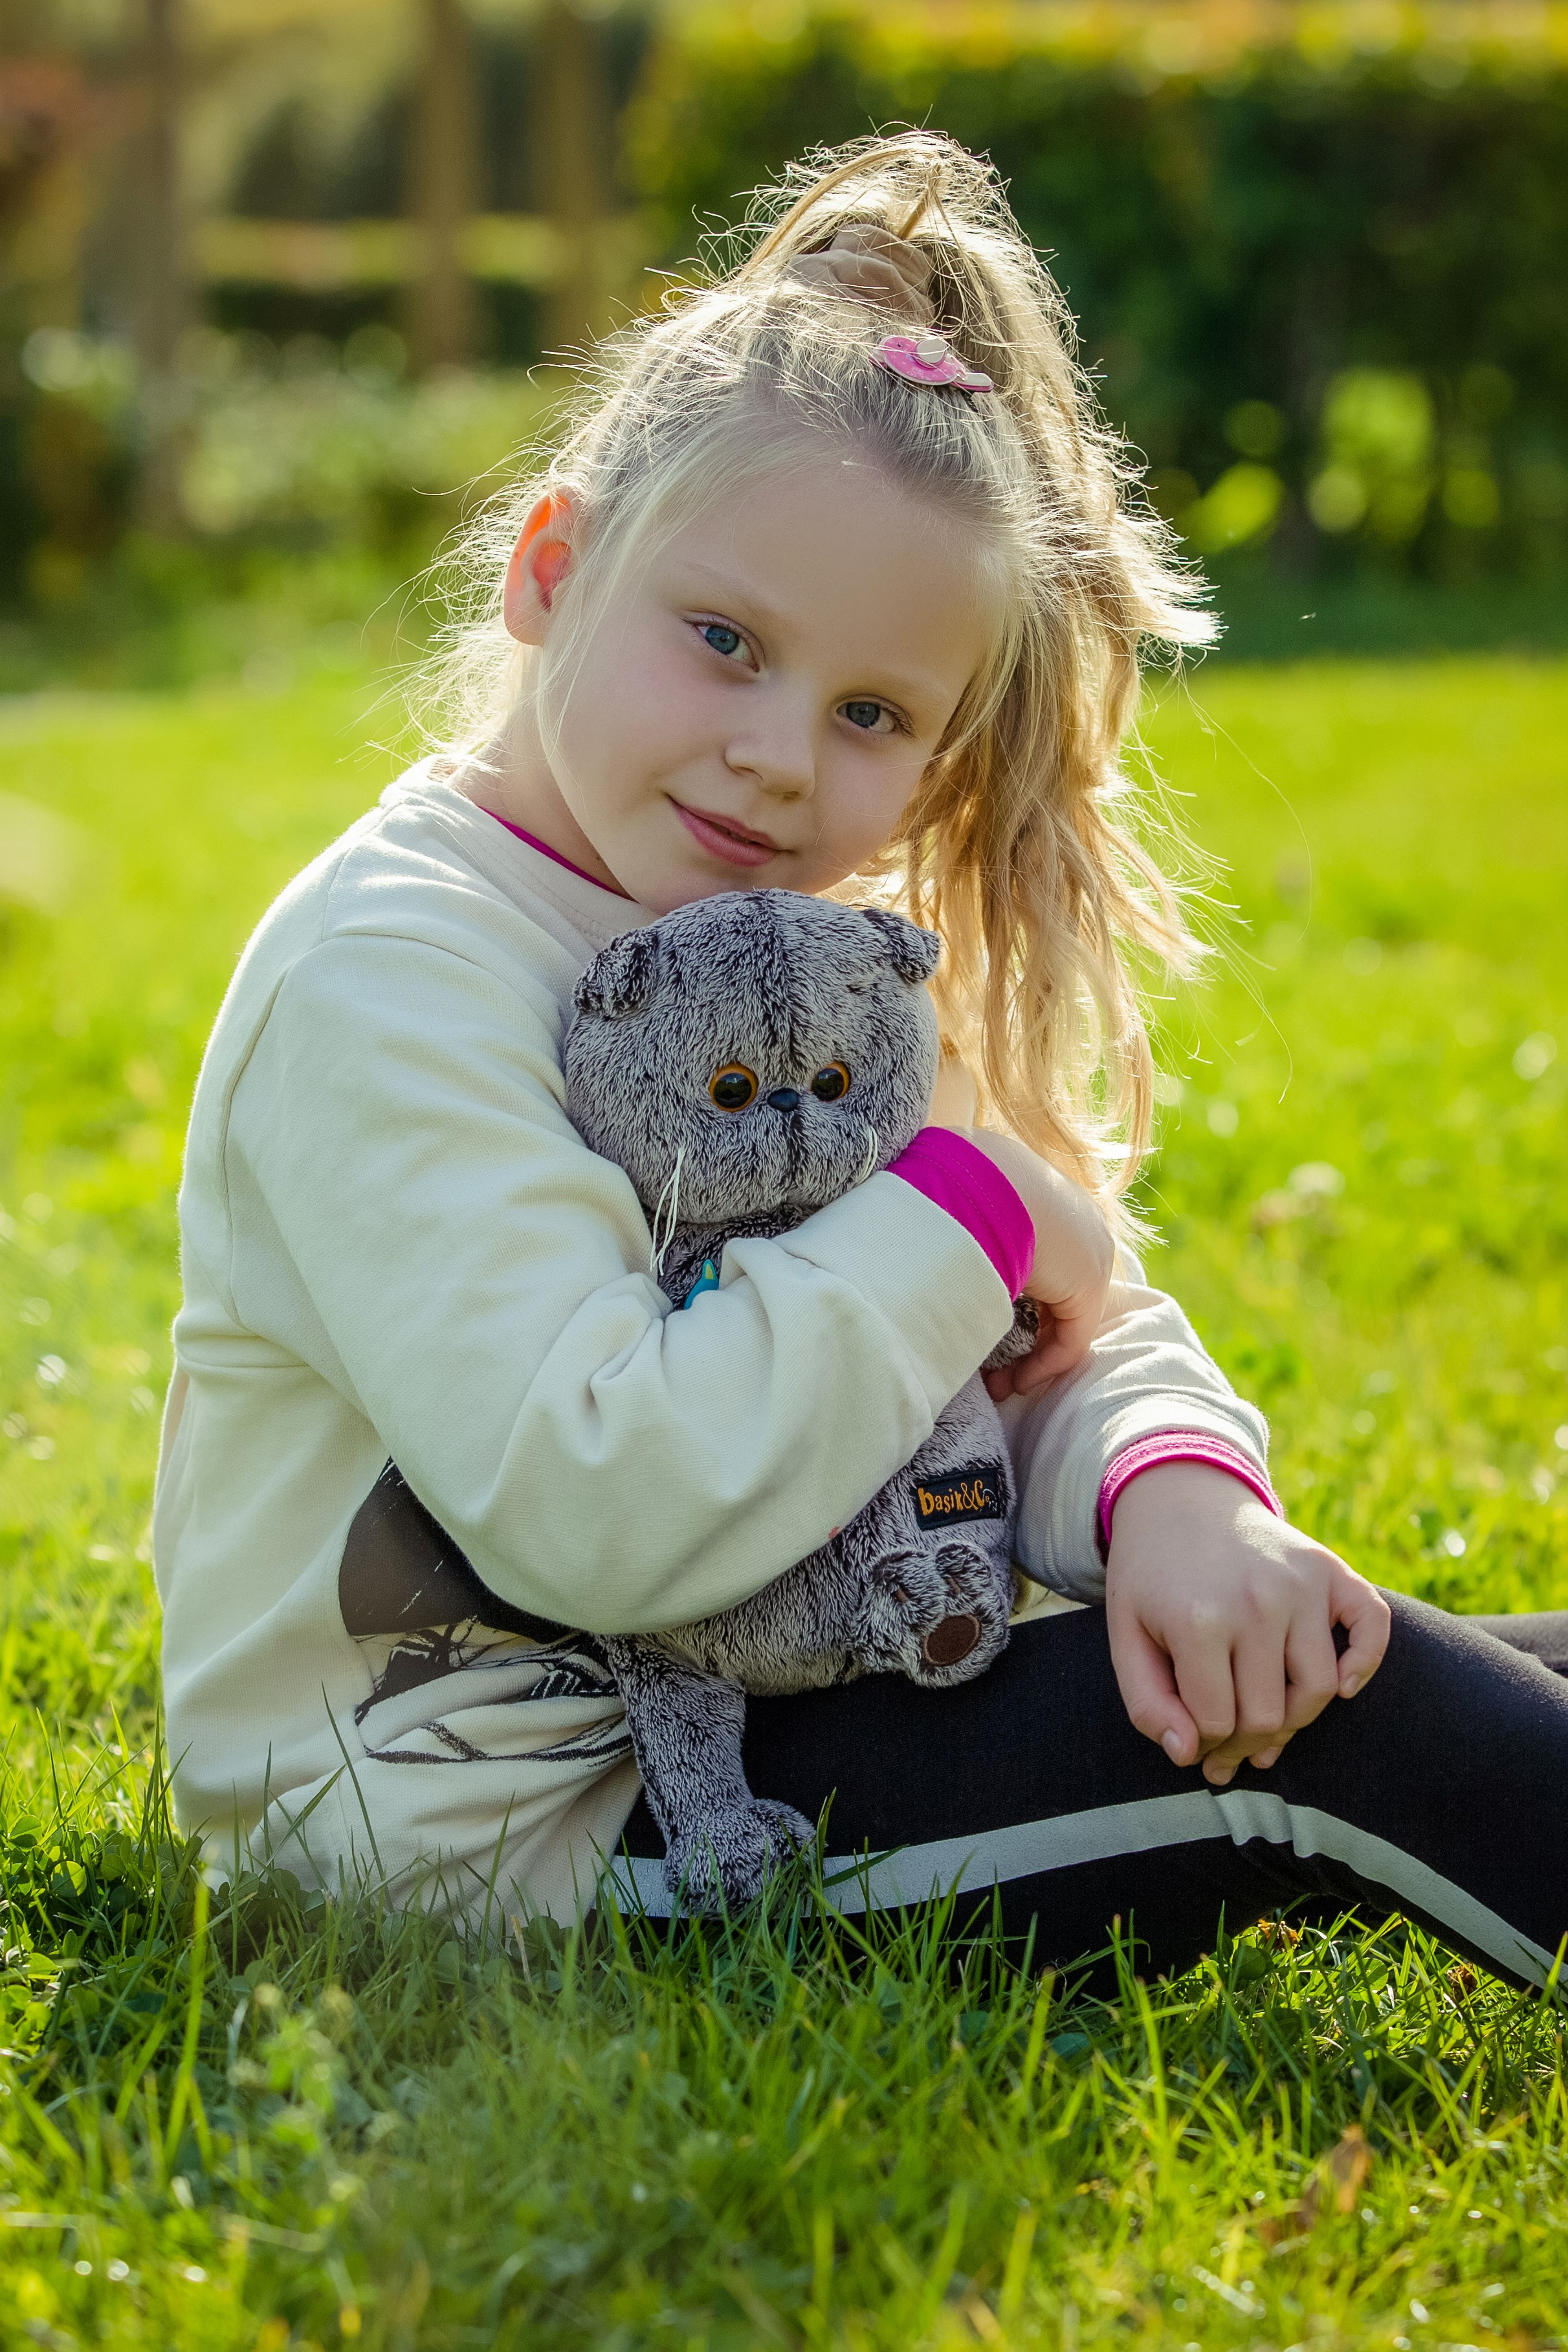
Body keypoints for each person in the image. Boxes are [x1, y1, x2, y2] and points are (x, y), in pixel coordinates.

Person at [153, 133, 1568, 1990]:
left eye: (871, 712)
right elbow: (600, 1498)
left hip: (797, 1691)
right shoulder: (392, 977)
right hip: (518, 1821)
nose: (777, 756)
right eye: (724, 640)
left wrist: (1175, 1497)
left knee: (1350, 1649)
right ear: (553, 568)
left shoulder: (806, 946)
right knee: (1324, 1739)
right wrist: (965, 1216)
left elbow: (1048, 1313)